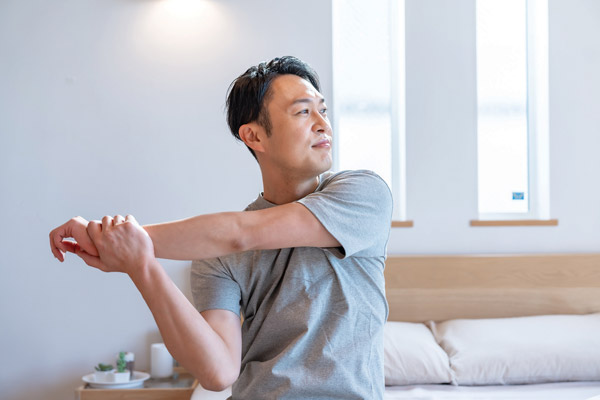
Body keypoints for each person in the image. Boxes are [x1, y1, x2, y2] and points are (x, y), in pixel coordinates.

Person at [49, 56, 393, 399]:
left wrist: (113, 239)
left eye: (323, 110)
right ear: (254, 136)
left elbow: (241, 234)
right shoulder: (214, 252)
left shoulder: (364, 195)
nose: (323, 124)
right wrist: (140, 265)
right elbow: (218, 373)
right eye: (304, 111)